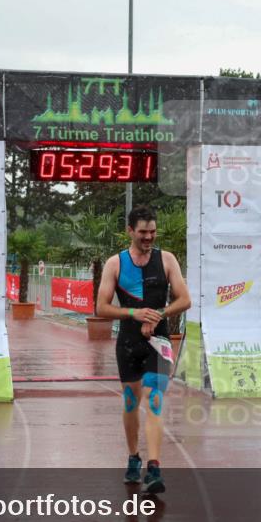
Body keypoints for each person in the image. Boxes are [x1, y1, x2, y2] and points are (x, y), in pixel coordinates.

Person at [96, 205, 191, 494]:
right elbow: (101, 308)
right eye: (142, 232)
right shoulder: (115, 264)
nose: (149, 237)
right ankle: (133, 457)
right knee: (129, 401)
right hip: (128, 343)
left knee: (154, 400)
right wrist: (133, 315)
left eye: (152, 231)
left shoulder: (167, 260)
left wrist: (158, 314)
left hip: (159, 343)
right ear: (130, 231)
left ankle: (154, 467)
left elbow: (184, 299)